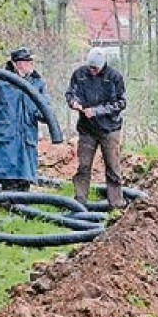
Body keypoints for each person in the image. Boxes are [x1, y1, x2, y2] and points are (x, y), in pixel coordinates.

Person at [0, 48, 61, 192]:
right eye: (27, 61)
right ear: (17, 64)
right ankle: (9, 207)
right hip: (6, 138)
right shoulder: (0, 81)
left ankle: (22, 209)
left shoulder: (36, 83)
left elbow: (43, 111)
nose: (31, 64)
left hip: (26, 137)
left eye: (31, 61)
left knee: (24, 179)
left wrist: (47, 116)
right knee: (8, 178)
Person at [65, 48, 127, 208]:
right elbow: (70, 94)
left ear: (102, 65)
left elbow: (121, 103)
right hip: (87, 130)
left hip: (110, 129)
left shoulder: (114, 77)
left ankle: (116, 204)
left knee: (112, 167)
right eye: (90, 67)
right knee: (83, 166)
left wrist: (97, 111)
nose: (92, 71)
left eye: (95, 68)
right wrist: (74, 103)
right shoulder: (79, 74)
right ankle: (79, 202)